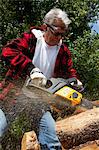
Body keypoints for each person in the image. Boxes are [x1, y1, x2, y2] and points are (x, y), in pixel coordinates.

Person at [1, 8, 82, 149]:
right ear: (46, 27)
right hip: (13, 96)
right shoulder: (32, 39)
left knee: (51, 140)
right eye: (57, 33)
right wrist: (31, 69)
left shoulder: (62, 51)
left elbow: (68, 71)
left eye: (63, 34)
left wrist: (74, 80)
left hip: (40, 101)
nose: (59, 38)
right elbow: (8, 51)